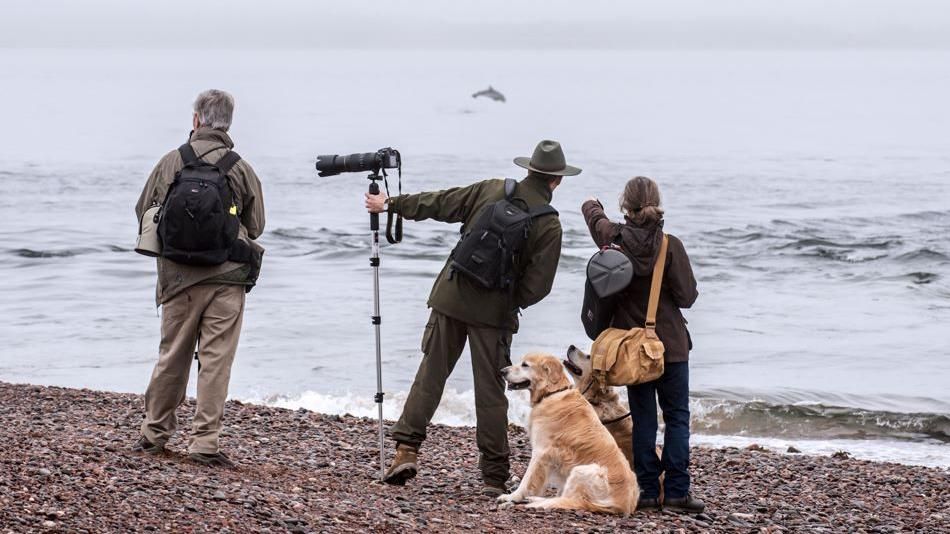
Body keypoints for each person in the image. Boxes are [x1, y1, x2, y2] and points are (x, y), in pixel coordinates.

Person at [365, 140, 580, 495]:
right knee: (490, 392)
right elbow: (538, 286)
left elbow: (441, 202)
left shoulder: (493, 189)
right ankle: (494, 476)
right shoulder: (549, 224)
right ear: (557, 180)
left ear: (529, 169)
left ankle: (406, 449)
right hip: (493, 316)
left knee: (430, 375)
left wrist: (391, 204)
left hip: (450, 295)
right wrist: (507, 300)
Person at [132, 89, 265, 467]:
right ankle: (205, 443)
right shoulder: (240, 167)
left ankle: (153, 435)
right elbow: (256, 226)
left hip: (177, 279)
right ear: (228, 123)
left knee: (172, 357)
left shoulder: (172, 161)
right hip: (227, 278)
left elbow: (144, 210)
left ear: (195, 120)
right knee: (215, 361)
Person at [581, 176, 702, 513]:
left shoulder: (614, 240)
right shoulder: (671, 245)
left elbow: (595, 219)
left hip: (632, 350)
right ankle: (677, 492)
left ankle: (647, 492)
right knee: (677, 418)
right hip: (671, 347)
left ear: (626, 205)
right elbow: (687, 298)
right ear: (657, 203)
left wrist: (592, 203)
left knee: (645, 421)